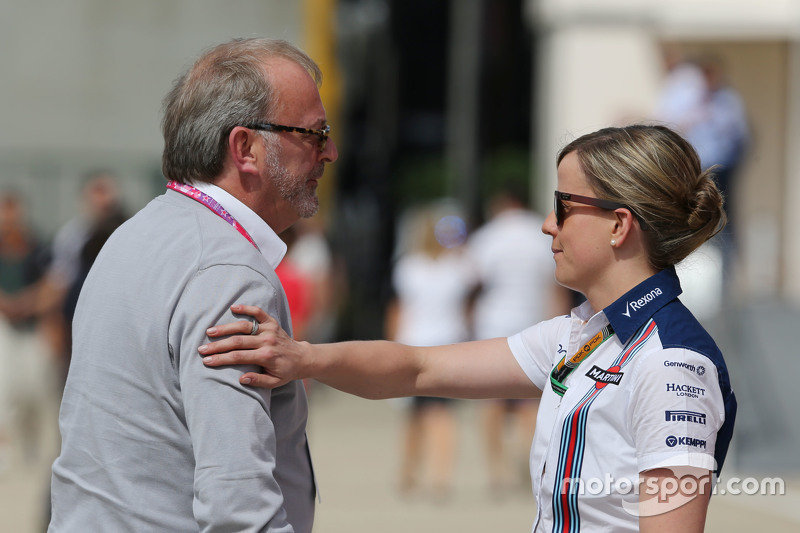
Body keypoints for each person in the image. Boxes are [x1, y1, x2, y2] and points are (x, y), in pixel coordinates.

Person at [201, 124, 737, 532]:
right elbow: (419, 366)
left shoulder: (671, 363)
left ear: (620, 225)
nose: (548, 224)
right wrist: (301, 358)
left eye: (563, 206)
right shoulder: (584, 333)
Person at [49, 37, 338, 532]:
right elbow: (238, 507)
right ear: (245, 147)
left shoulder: (135, 234)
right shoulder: (229, 274)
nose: (329, 152)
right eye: (313, 133)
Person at [466, 184, 572, 496]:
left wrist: (468, 326)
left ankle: (497, 472)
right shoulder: (538, 233)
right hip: (534, 321)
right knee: (533, 401)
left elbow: (472, 284)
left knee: (491, 403)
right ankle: (531, 466)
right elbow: (556, 285)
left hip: (494, 322)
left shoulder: (488, 236)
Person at [385, 203, 477, 500]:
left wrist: (391, 344)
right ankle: (441, 476)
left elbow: (397, 310)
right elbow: (469, 303)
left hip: (413, 344)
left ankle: (408, 473)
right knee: (442, 415)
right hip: (448, 346)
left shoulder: (407, 267)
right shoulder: (457, 268)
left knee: (413, 416)